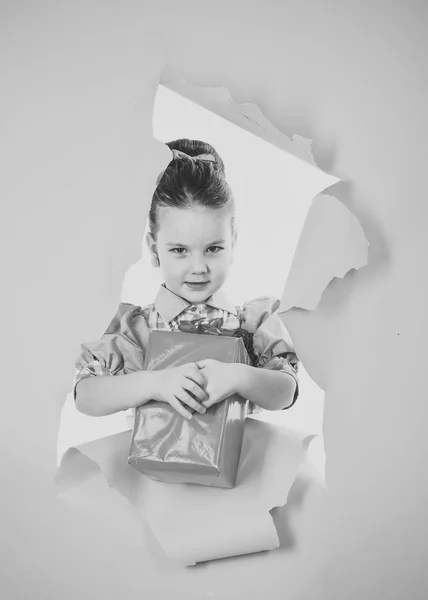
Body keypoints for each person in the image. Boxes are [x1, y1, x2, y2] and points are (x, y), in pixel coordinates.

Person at [74, 139, 300, 421]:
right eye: (179, 250)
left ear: (233, 245)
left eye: (213, 249)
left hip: (242, 464)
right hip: (149, 466)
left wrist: (240, 376)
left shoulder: (252, 325)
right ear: (155, 250)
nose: (198, 267)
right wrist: (154, 383)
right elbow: (85, 396)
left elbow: (286, 391)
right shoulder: (136, 330)